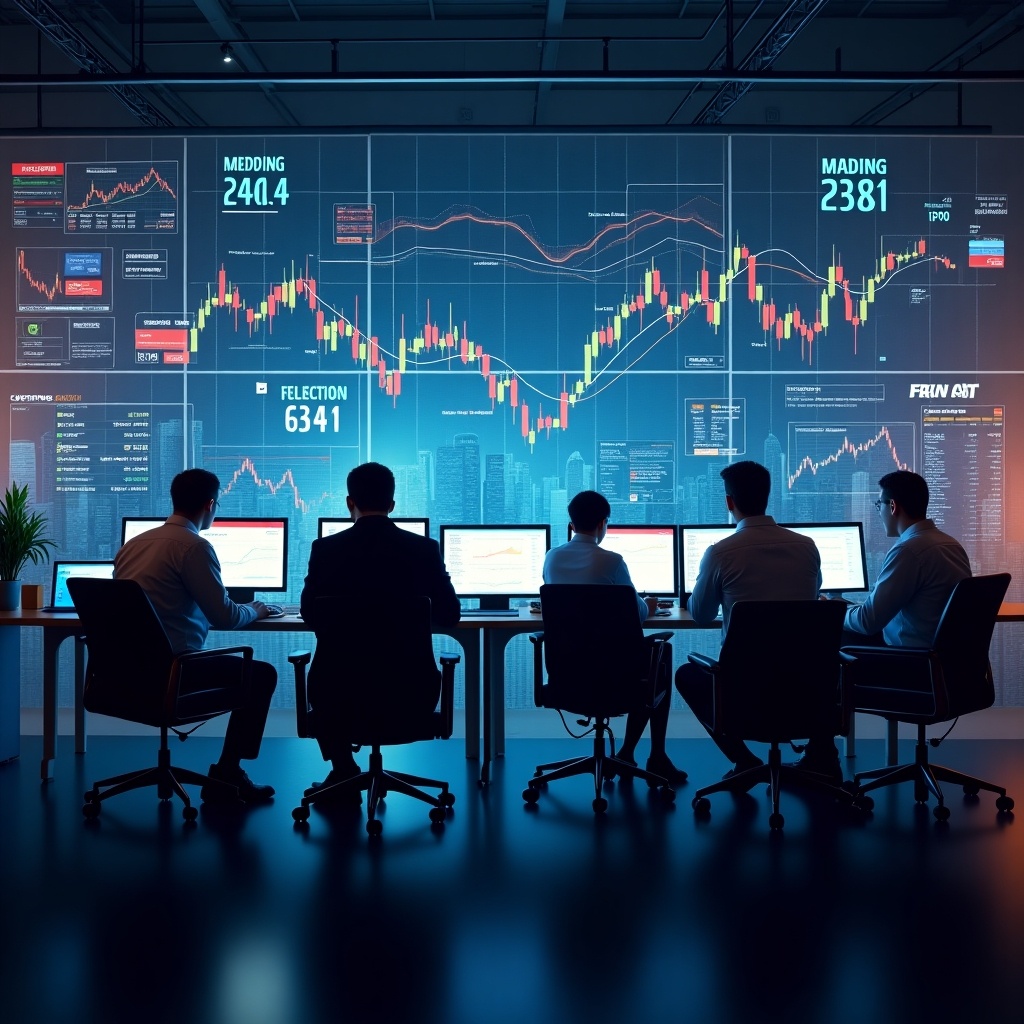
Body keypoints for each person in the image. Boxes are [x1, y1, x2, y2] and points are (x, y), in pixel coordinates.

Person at [113, 468, 277, 803]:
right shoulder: (194, 547)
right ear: (210, 505)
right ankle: (228, 773)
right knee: (261, 675)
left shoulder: (133, 545)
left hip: (125, 672)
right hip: (174, 672)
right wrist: (256, 610)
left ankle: (228, 773)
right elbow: (225, 616)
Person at [300, 462, 461, 792]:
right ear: (392, 505)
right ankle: (344, 770)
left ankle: (343, 768)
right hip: (411, 691)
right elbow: (451, 614)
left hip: (337, 692)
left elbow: (309, 614)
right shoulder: (424, 549)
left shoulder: (326, 549)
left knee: (332, 686)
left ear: (349, 502)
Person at [674, 461, 825, 780]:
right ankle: (823, 758)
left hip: (743, 692)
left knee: (687, 674)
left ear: (729, 501)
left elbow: (701, 615)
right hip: (805, 687)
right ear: (768, 497)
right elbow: (812, 599)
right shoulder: (807, 547)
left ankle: (745, 760)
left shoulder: (721, 553)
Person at [542, 489, 687, 785]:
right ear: (603, 523)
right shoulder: (612, 561)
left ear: (571, 524)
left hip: (568, 676)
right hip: (616, 677)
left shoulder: (551, 558)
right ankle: (647, 755)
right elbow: (635, 614)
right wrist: (649, 605)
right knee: (663, 651)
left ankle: (629, 754)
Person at [841, 470, 971, 647]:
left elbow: (867, 622)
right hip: (945, 661)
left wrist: (833, 611)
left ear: (893, 506)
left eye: (879, 505)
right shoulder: (951, 544)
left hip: (910, 661)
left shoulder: (908, 551)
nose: (879, 512)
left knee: (833, 634)